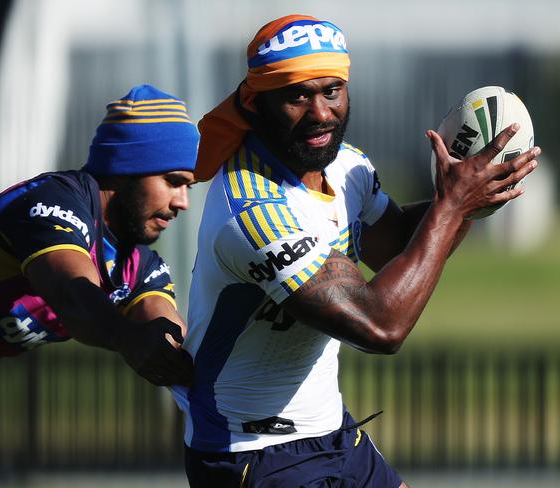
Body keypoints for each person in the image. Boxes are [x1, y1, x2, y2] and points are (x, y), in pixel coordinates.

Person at [171, 14, 540, 488]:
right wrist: (454, 205)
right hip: (251, 455)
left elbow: (404, 247)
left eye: (331, 91)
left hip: (333, 434)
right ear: (254, 102)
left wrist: (472, 197)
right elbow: (380, 326)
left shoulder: (347, 167)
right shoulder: (253, 211)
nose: (321, 112)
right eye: (296, 95)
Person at [0, 84, 198, 482]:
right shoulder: (53, 200)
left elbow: (173, 337)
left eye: (189, 186)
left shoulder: (140, 265)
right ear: (127, 165)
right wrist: (127, 337)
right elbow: (73, 293)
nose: (183, 201)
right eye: (173, 180)